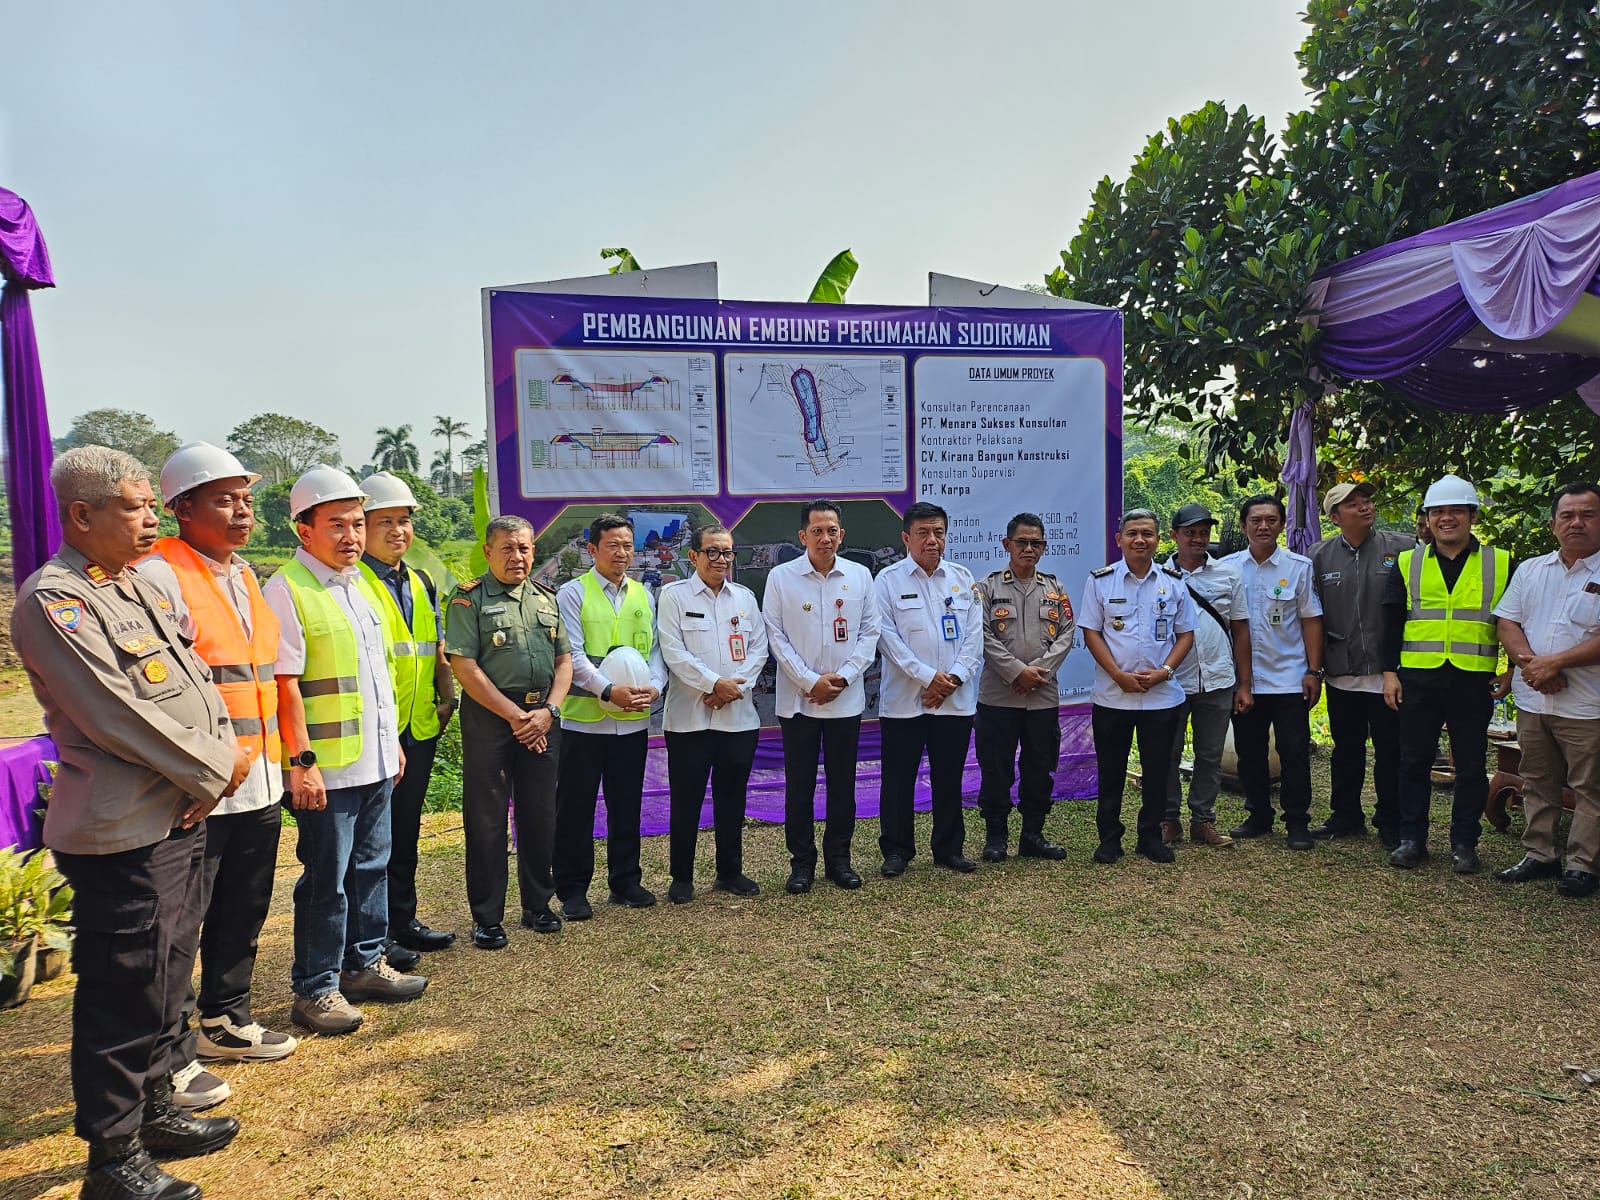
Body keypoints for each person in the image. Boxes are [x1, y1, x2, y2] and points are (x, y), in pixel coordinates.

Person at [14, 446, 249, 1200]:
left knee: (168, 972)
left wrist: (214, 767)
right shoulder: (55, 600)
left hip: (179, 812)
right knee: (124, 989)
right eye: (135, 506)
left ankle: (153, 1109)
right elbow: (116, 714)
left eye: (153, 505)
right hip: (125, 827)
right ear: (82, 515)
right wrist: (217, 768)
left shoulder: (134, 586)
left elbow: (192, 681)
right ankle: (112, 1160)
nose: (151, 518)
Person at [137, 442, 293, 1115]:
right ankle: (168, 1061)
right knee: (176, 931)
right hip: (199, 791)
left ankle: (227, 1020)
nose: (241, 511)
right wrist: (197, 773)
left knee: (243, 911)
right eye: (224, 498)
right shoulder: (160, 575)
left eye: (246, 499)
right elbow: (156, 692)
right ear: (182, 508)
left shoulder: (243, 576)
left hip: (256, 781)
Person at [263, 465, 427, 1036]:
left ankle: (363, 963)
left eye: (357, 524)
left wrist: (392, 748)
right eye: (337, 525)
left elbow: (377, 674)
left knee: (371, 869)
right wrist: (300, 763)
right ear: (303, 530)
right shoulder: (287, 589)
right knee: (326, 880)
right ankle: (315, 988)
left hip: (376, 760)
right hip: (326, 769)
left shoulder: (360, 587)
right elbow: (285, 684)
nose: (352, 536)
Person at [445, 515, 573, 946]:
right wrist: (515, 717)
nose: (517, 556)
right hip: (491, 720)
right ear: (488, 552)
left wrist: (548, 712)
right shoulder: (469, 601)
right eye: (507, 548)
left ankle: (538, 904)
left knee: (540, 815)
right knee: (487, 821)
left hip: (541, 718)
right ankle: (487, 917)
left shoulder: (546, 598)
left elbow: (564, 662)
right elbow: (464, 666)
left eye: (524, 547)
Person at [1382, 473, 1512, 873]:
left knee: (1471, 766)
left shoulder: (1500, 561)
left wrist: (1511, 672)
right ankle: (1411, 840)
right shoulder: (1408, 561)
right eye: (1438, 511)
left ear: (1472, 515)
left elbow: (1517, 621)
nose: (1447, 518)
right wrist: (1389, 673)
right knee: (1414, 762)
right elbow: (1390, 622)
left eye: (1456, 510)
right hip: (1418, 679)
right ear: (1427, 518)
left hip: (1473, 681)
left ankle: (1464, 844)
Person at [355, 471, 458, 963]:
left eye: (404, 521)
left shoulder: (418, 580)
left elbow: (435, 649)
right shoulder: (355, 582)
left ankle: (403, 920)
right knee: (371, 841)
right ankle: (372, 936)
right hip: (375, 734)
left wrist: (446, 699)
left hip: (418, 728)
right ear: (362, 525)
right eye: (385, 522)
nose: (398, 531)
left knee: (406, 831)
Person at [763, 499, 882, 893]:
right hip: (799, 703)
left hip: (845, 701)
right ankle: (801, 865)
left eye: (832, 530)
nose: (825, 538)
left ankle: (839, 861)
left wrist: (844, 678)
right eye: (817, 531)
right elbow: (775, 635)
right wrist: (809, 680)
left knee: (842, 784)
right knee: (799, 786)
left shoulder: (861, 576)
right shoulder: (781, 577)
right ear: (803, 536)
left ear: (841, 535)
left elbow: (869, 634)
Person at [553, 513, 667, 918]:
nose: (622, 553)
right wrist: (606, 689)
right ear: (592, 550)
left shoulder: (643, 594)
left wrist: (655, 686)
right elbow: (573, 656)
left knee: (626, 803)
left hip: (632, 721)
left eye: (627, 545)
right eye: (613, 545)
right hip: (585, 719)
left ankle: (625, 881)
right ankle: (571, 889)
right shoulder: (572, 593)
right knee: (576, 806)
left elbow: (653, 650)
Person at [1493, 482, 1600, 897]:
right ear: (1554, 523)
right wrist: (1533, 666)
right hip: (1533, 697)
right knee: (1536, 777)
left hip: (1588, 703)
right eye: (1568, 515)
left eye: (1587, 515)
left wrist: (1555, 663)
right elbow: (1508, 622)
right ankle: (1540, 853)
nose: (1576, 523)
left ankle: (1583, 864)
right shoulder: (1532, 569)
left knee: (1590, 786)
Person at [655, 524, 769, 902]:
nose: (722, 560)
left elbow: (759, 650)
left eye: (727, 553)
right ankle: (682, 877)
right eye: (713, 552)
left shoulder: (745, 598)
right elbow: (673, 652)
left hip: (737, 719)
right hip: (689, 720)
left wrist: (731, 690)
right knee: (686, 799)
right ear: (694, 556)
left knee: (732, 798)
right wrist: (713, 684)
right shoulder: (673, 596)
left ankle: (729, 872)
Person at [872, 502, 984, 876]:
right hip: (907, 701)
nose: (932, 540)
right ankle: (897, 851)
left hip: (953, 700)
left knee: (949, 776)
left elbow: (973, 638)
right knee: (899, 778)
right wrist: (926, 678)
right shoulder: (887, 580)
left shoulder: (962, 577)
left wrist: (951, 680)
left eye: (938, 532)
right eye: (923, 533)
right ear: (906, 538)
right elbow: (886, 638)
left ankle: (949, 848)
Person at [1078, 509, 1195, 864]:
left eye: (1147, 533)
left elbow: (1186, 634)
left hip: (1161, 696)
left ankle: (1151, 837)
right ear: (1120, 540)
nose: (1140, 539)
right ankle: (1109, 839)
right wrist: (1117, 675)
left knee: (1158, 770)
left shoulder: (1173, 582)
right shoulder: (1101, 581)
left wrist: (1165, 671)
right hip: (1113, 696)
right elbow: (1091, 632)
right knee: (1110, 770)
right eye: (1132, 533)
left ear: (1159, 540)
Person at [1309, 481, 1415, 848]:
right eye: (1352, 504)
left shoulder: (1403, 548)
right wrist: (1316, 666)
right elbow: (1312, 615)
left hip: (1390, 674)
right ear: (1335, 517)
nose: (1364, 507)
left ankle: (1390, 820)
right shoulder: (1319, 556)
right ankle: (1346, 816)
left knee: (1390, 750)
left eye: (1366, 500)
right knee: (1346, 748)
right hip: (1342, 671)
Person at [1221, 494, 1325, 851]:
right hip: (1244, 680)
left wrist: (1313, 669)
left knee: (1293, 751)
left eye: (1270, 520)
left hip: (1289, 676)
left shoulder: (1298, 567)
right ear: (1243, 525)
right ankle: (1258, 814)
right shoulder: (1229, 567)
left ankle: (1297, 821)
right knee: (1250, 752)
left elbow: (1311, 620)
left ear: (1281, 525)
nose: (1263, 526)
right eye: (1255, 520)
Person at [974, 513, 1077, 861]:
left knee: (1039, 768)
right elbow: (982, 636)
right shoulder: (987, 587)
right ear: (1007, 545)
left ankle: (1032, 834)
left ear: (1044, 547)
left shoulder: (1055, 588)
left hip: (1043, 697)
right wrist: (1016, 671)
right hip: (998, 697)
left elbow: (1066, 633)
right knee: (995, 768)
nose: (1029, 549)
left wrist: (1038, 671)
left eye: (1036, 543)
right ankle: (996, 837)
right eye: (1022, 542)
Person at [1162, 503, 1251, 849]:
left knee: (1210, 754)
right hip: (1172, 682)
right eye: (1190, 532)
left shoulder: (1228, 575)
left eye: (1203, 532)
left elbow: (1241, 631)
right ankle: (1169, 819)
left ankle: (1203, 820)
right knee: (1167, 754)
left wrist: (1244, 684)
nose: (1198, 539)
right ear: (1174, 536)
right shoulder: (1159, 577)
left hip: (1218, 679)